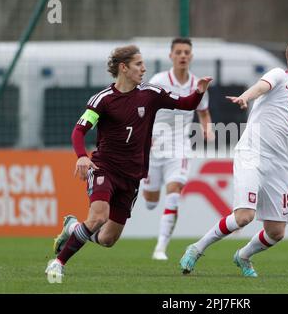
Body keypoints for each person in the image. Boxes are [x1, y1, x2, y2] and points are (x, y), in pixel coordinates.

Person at [44, 44, 212, 280]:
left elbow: (186, 104)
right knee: (98, 217)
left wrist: (199, 91)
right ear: (124, 68)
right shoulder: (102, 100)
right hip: (104, 168)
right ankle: (58, 263)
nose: (144, 69)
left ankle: (72, 227)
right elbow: (79, 131)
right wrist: (82, 155)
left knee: (107, 239)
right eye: (138, 64)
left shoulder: (151, 94)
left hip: (131, 176)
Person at [179, 39, 288, 277]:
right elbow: (261, 87)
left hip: (277, 166)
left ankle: (243, 256)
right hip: (251, 155)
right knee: (244, 216)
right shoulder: (279, 76)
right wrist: (245, 96)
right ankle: (196, 248)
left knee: (276, 232)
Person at [143, 37, 214, 261]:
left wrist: (207, 130)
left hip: (180, 147)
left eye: (187, 52)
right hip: (154, 147)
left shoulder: (198, 84)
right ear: (171, 56)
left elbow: (203, 111)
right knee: (151, 202)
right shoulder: (158, 80)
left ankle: (160, 248)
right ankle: (150, 195)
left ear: (191, 57)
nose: (183, 55)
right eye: (179, 52)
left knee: (173, 195)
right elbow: (143, 109)